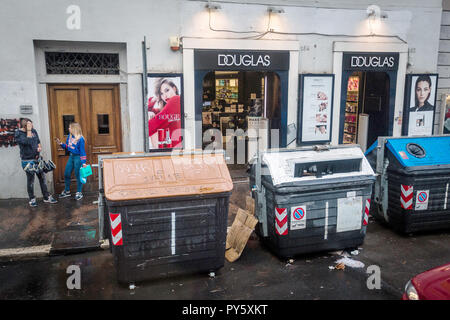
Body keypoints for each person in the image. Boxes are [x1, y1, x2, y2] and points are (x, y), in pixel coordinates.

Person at [15, 118, 57, 207]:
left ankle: (46, 197)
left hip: (37, 159)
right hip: (27, 161)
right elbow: (27, 141)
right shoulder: (18, 133)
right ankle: (32, 199)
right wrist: (29, 131)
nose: (32, 126)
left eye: (32, 124)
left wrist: (39, 147)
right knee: (30, 181)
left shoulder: (34, 131)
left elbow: (38, 141)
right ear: (24, 126)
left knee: (42, 178)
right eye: (30, 125)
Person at [56, 122, 87, 201]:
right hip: (71, 156)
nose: (68, 129)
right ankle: (67, 191)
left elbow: (82, 151)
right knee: (66, 173)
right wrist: (61, 144)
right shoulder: (69, 137)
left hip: (78, 158)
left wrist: (83, 162)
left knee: (78, 175)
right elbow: (67, 147)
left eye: (70, 127)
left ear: (74, 129)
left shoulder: (81, 139)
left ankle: (79, 192)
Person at [148, 78, 182, 148]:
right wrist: (155, 99)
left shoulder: (176, 99)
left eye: (167, 90)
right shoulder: (167, 107)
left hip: (174, 150)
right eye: (161, 94)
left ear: (174, 88)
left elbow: (149, 126)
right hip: (172, 150)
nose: (165, 96)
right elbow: (143, 111)